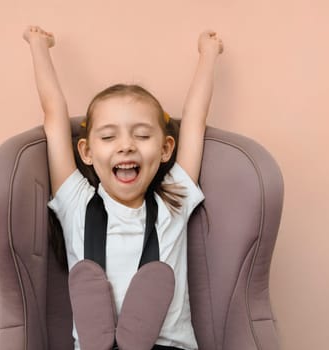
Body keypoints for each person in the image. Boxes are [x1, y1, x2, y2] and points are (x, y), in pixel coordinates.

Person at [23, 25, 223, 350]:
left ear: (166, 149)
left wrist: (208, 54)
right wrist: (38, 46)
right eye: (108, 136)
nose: (126, 146)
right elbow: (53, 115)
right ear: (87, 152)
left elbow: (195, 118)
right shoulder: (76, 203)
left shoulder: (175, 200)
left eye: (142, 135)